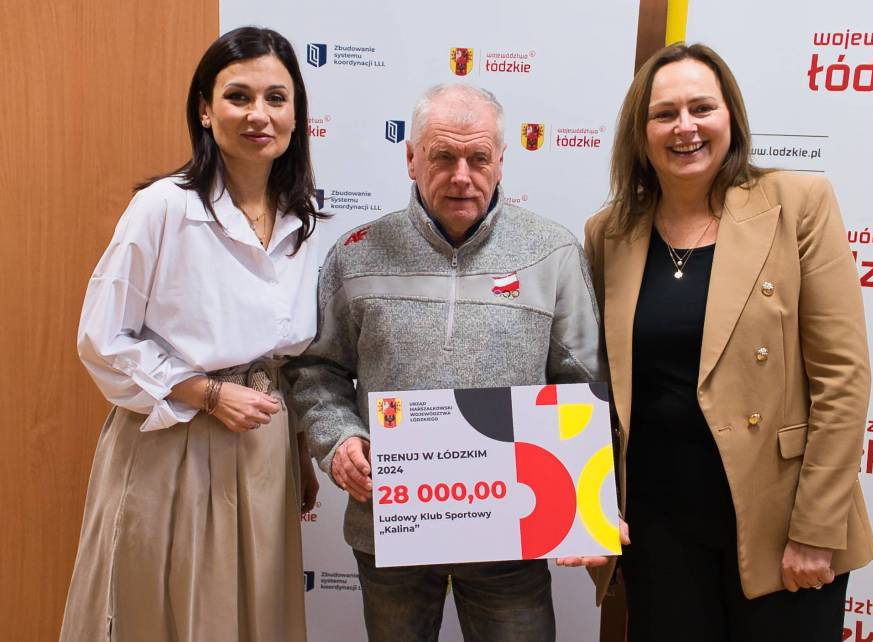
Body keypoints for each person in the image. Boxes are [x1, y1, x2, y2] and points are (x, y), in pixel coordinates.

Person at [579, 42, 873, 641]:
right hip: (657, 528)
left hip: (781, 521)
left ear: (731, 117)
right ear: (640, 133)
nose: (685, 127)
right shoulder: (609, 231)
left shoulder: (798, 203)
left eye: (701, 108)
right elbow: (596, 385)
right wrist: (591, 508)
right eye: (664, 114)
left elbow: (842, 376)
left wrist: (816, 529)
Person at [285, 83, 602, 642]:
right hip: (390, 528)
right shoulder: (356, 253)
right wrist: (339, 441)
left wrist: (586, 505)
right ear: (411, 158)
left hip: (512, 532)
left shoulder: (552, 252)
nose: (462, 176)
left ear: (501, 161)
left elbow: (583, 383)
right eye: (443, 157)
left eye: (478, 158)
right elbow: (316, 371)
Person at [60, 27, 324, 642]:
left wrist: (299, 448)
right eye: (238, 96)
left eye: (276, 98)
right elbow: (102, 337)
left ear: (296, 115)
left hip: (264, 451)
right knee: (164, 617)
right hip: (176, 442)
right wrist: (206, 393)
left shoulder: (300, 219)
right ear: (205, 110)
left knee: (254, 618)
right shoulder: (164, 207)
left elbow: (288, 352)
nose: (259, 114)